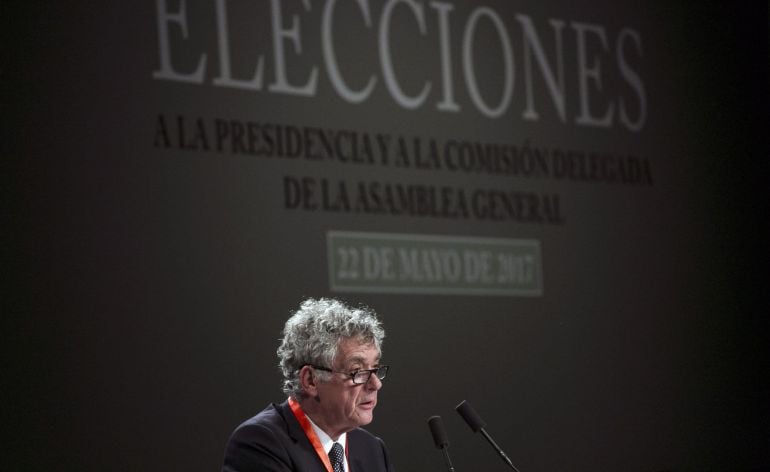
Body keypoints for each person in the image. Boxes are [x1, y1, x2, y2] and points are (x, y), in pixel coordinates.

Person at [222, 298, 395, 472]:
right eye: (357, 371)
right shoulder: (260, 444)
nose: (376, 384)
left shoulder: (372, 450)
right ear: (310, 380)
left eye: (374, 368)